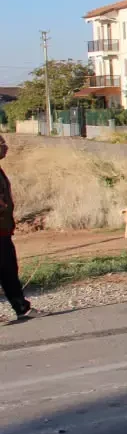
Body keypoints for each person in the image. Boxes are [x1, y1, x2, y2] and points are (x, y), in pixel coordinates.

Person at [0, 135, 35, 321]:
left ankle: (22, 308)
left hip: (3, 231)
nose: (5, 148)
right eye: (1, 144)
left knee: (9, 271)